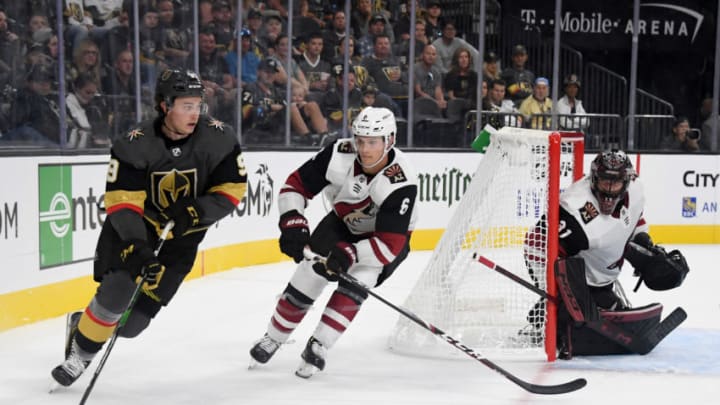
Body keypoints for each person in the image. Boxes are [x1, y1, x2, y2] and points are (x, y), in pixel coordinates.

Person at [50, 68, 248, 387]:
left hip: (183, 236)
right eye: (185, 105)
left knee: (131, 326)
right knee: (117, 291)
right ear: (164, 105)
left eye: (197, 105)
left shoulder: (220, 138)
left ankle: (82, 322)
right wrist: (136, 243)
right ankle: (81, 354)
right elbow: (122, 200)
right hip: (139, 226)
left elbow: (232, 190)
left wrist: (195, 213)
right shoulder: (134, 144)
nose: (194, 113)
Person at [249, 106, 418, 378]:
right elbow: (295, 186)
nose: (364, 148)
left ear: (390, 141)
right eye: (360, 140)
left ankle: (320, 344)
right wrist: (292, 222)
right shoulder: (338, 153)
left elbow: (389, 247)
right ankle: (274, 337)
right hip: (342, 223)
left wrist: (351, 252)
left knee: (358, 282)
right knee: (309, 272)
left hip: (382, 241)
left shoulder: (401, 181)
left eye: (372, 142)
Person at [523, 150, 689, 358]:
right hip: (580, 279)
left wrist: (644, 244)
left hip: (602, 275)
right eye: (603, 182)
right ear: (593, 179)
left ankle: (551, 316)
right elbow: (535, 244)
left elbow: (635, 219)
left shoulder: (636, 190)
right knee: (580, 326)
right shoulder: (575, 210)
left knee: (612, 318)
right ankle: (550, 320)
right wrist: (559, 291)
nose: (609, 191)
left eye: (615, 183)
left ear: (627, 183)